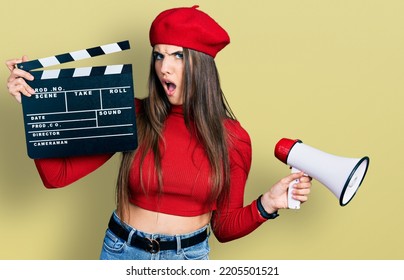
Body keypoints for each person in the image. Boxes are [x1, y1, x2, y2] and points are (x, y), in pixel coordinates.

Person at [5, 5, 312, 260]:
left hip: (188, 259)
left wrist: (268, 204)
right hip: (121, 253)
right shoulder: (134, 114)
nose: (164, 67)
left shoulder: (232, 138)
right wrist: (35, 110)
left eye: (177, 55)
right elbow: (58, 176)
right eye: (158, 55)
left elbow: (225, 227)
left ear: (201, 66)